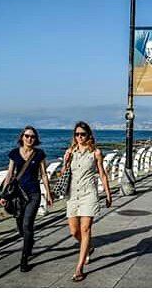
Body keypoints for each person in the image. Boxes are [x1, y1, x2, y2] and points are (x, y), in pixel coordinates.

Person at [62, 121, 112, 282]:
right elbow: (64, 173)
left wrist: (108, 194)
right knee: (74, 231)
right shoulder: (71, 151)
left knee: (85, 229)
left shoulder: (96, 152)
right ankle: (89, 247)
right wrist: (65, 161)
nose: (79, 137)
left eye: (82, 134)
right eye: (77, 134)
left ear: (88, 135)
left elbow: (102, 174)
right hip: (73, 195)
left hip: (89, 194)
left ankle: (79, 268)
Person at [0, 125, 54, 273]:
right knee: (20, 228)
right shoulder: (14, 154)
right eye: (27, 136)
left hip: (34, 194)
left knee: (27, 224)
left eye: (32, 137)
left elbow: (43, 175)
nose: (30, 139)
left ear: (36, 139)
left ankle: (24, 259)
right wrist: (4, 195)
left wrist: (49, 193)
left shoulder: (39, 154)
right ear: (22, 137)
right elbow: (10, 174)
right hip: (18, 195)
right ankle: (29, 241)